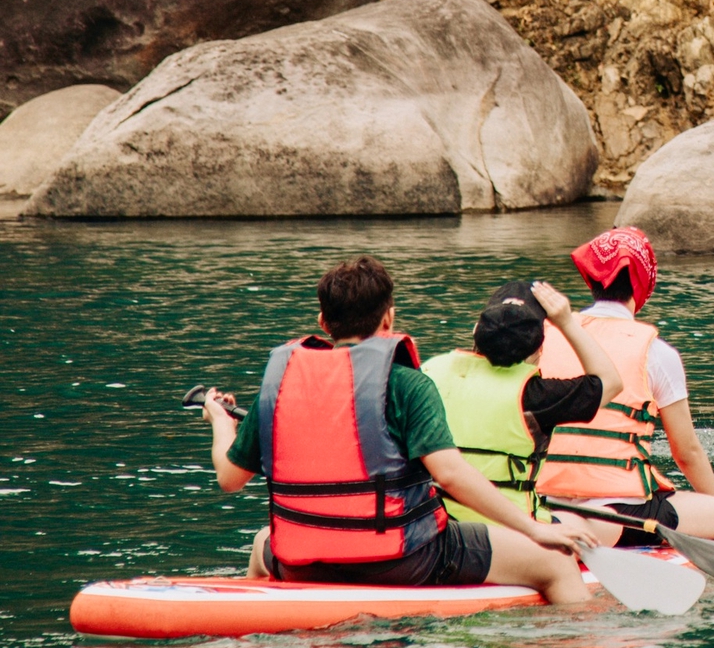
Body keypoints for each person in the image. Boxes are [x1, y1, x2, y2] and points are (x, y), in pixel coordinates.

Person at [201, 255, 598, 604]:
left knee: (259, 546)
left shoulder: (281, 385)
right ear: (389, 318)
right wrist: (534, 530)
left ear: (323, 322)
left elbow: (230, 478)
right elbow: (450, 474)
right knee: (557, 563)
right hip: (404, 561)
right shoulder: (407, 383)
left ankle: (261, 618)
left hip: (301, 564)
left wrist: (221, 422)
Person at [536, 227, 714, 557]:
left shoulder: (543, 339)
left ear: (591, 279)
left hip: (542, 503)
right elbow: (687, 452)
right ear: (642, 283)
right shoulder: (657, 353)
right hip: (620, 513)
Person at [420, 278, 625, 524]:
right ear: (538, 347)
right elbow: (610, 382)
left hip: (439, 524)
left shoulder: (431, 371)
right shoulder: (536, 395)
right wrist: (566, 321)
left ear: (477, 330)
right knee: (607, 521)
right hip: (514, 530)